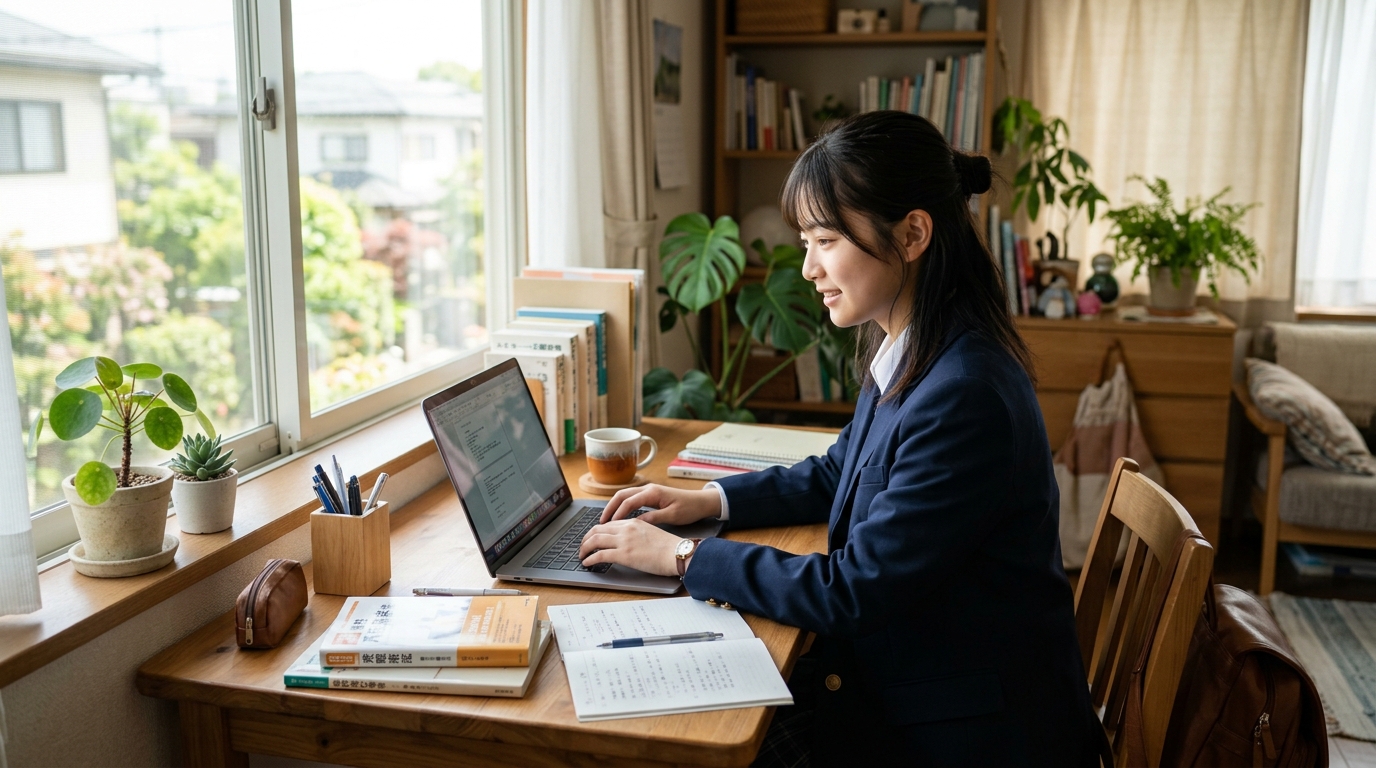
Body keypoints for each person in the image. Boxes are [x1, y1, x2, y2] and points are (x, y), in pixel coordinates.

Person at [578, 111, 1099, 766]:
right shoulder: (918, 349)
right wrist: (707, 503)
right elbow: (837, 472)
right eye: (806, 242)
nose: (807, 269)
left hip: (958, 729)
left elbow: (851, 591)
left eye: (825, 240)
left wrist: (682, 557)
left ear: (912, 233)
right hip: (923, 680)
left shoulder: (963, 394)